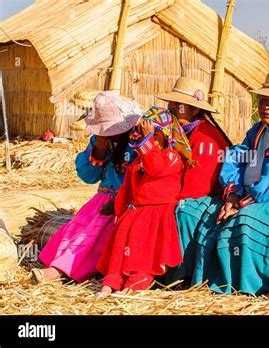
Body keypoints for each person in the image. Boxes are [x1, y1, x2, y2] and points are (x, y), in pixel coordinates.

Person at [178, 71, 269, 295]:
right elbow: (236, 158)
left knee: (245, 222)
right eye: (263, 100)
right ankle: (189, 278)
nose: (266, 107)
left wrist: (240, 204)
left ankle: (244, 288)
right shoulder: (258, 130)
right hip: (249, 196)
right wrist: (231, 194)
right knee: (192, 211)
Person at [33, 91, 142, 284]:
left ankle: (59, 272)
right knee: (77, 227)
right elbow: (87, 176)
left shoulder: (137, 141)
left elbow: (145, 177)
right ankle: (62, 270)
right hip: (102, 199)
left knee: (95, 234)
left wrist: (120, 201)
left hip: (130, 202)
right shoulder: (99, 140)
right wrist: (99, 150)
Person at [96, 107, 192, 296]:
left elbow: (155, 167)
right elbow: (128, 188)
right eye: (147, 135)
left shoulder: (172, 157)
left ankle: (134, 287)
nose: (151, 139)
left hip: (157, 214)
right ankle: (109, 284)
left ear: (166, 135)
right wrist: (120, 211)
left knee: (145, 256)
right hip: (135, 213)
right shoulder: (140, 159)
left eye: (156, 134)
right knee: (120, 252)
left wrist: (147, 142)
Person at [155, 77, 230, 284]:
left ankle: (176, 275)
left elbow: (197, 187)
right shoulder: (175, 134)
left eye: (176, 105)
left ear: (195, 110)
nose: (170, 108)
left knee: (183, 211)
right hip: (180, 192)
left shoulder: (206, 138)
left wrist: (163, 202)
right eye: (170, 103)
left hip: (207, 196)